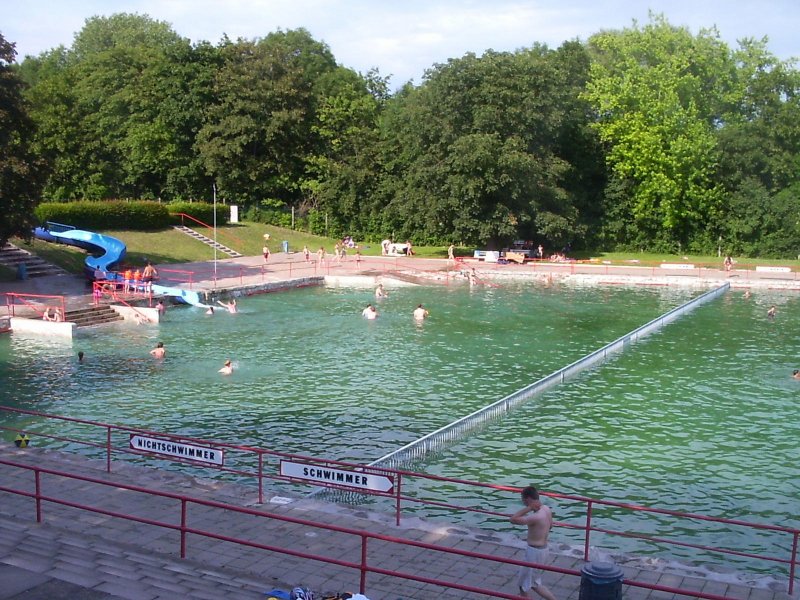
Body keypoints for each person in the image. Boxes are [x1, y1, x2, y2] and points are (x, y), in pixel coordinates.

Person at [510, 485, 557, 600]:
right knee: (533, 583)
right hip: (544, 549)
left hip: (534, 552)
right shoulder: (546, 509)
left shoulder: (536, 517)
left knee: (525, 585)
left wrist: (528, 508)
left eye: (523, 500)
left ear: (528, 499)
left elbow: (513, 519)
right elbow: (550, 526)